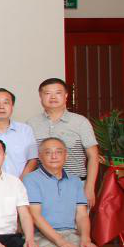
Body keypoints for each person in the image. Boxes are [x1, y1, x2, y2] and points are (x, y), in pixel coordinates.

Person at [29, 77, 103, 206]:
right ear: (40, 96)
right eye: (47, 93)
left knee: (78, 218)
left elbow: (93, 156)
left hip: (76, 184)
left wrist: (89, 186)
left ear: (66, 96)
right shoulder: (31, 124)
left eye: (58, 93)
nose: (53, 97)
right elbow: (31, 159)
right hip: (42, 186)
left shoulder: (80, 122)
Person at [0, 88, 38, 176]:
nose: (1, 107)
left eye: (6, 102)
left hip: (22, 182)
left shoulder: (25, 130)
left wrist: (20, 182)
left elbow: (33, 160)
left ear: (12, 107)